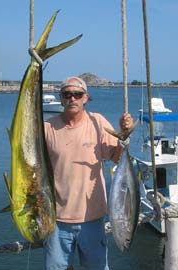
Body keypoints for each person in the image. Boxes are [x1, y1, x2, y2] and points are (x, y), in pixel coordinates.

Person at [43, 76, 133, 270]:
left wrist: (124, 136)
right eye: (67, 94)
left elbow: (117, 157)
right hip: (56, 221)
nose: (72, 99)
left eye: (77, 94)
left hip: (92, 220)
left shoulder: (97, 122)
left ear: (86, 98)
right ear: (61, 98)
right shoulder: (47, 128)